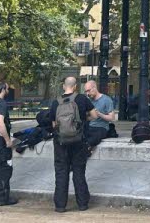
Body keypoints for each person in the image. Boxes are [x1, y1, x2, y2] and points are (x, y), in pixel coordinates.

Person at [42, 76, 92, 213]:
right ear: (75, 86)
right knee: (79, 172)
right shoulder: (82, 99)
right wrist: (82, 120)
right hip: (78, 141)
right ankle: (82, 204)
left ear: (64, 86)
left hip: (61, 142)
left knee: (61, 172)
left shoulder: (55, 103)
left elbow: (53, 124)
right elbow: (94, 115)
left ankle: (60, 205)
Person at [82, 79, 117, 150]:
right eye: (86, 91)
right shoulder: (88, 100)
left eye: (89, 90)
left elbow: (112, 118)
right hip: (89, 126)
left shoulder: (106, 100)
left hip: (101, 127)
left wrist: (99, 114)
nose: (87, 93)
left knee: (94, 138)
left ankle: (87, 149)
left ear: (94, 88)